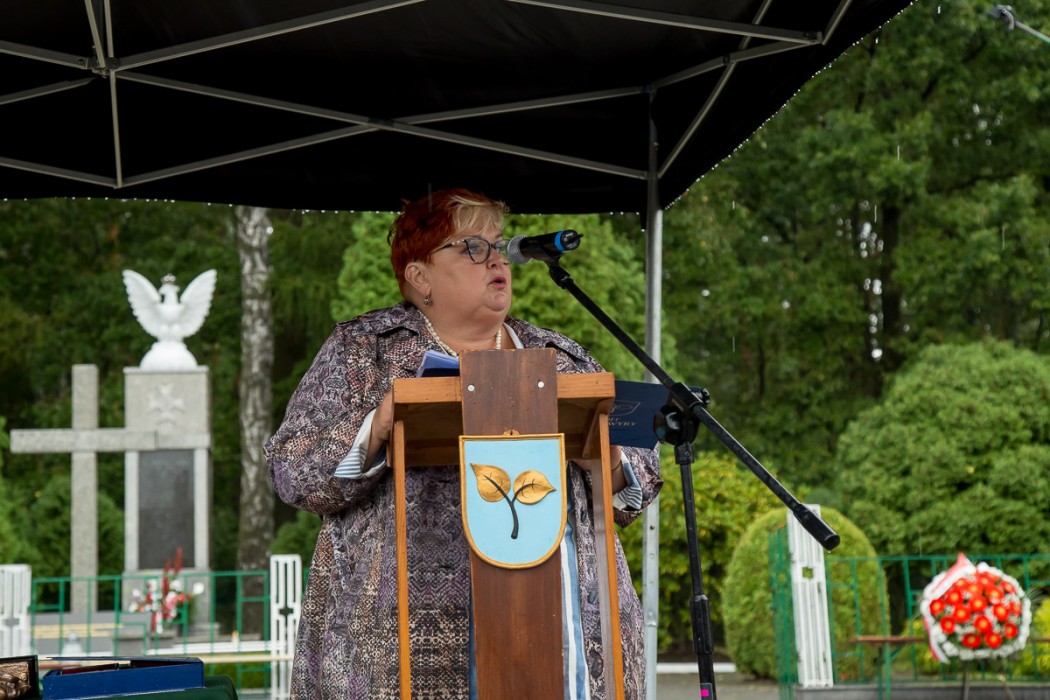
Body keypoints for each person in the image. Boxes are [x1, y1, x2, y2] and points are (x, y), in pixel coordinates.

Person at [266, 188, 662, 700]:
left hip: (565, 629)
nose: (497, 259)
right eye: (473, 247)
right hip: (401, 636)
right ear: (420, 276)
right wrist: (375, 426)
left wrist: (609, 457)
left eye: (499, 244)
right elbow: (292, 468)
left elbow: (639, 479)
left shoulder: (558, 355)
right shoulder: (364, 350)